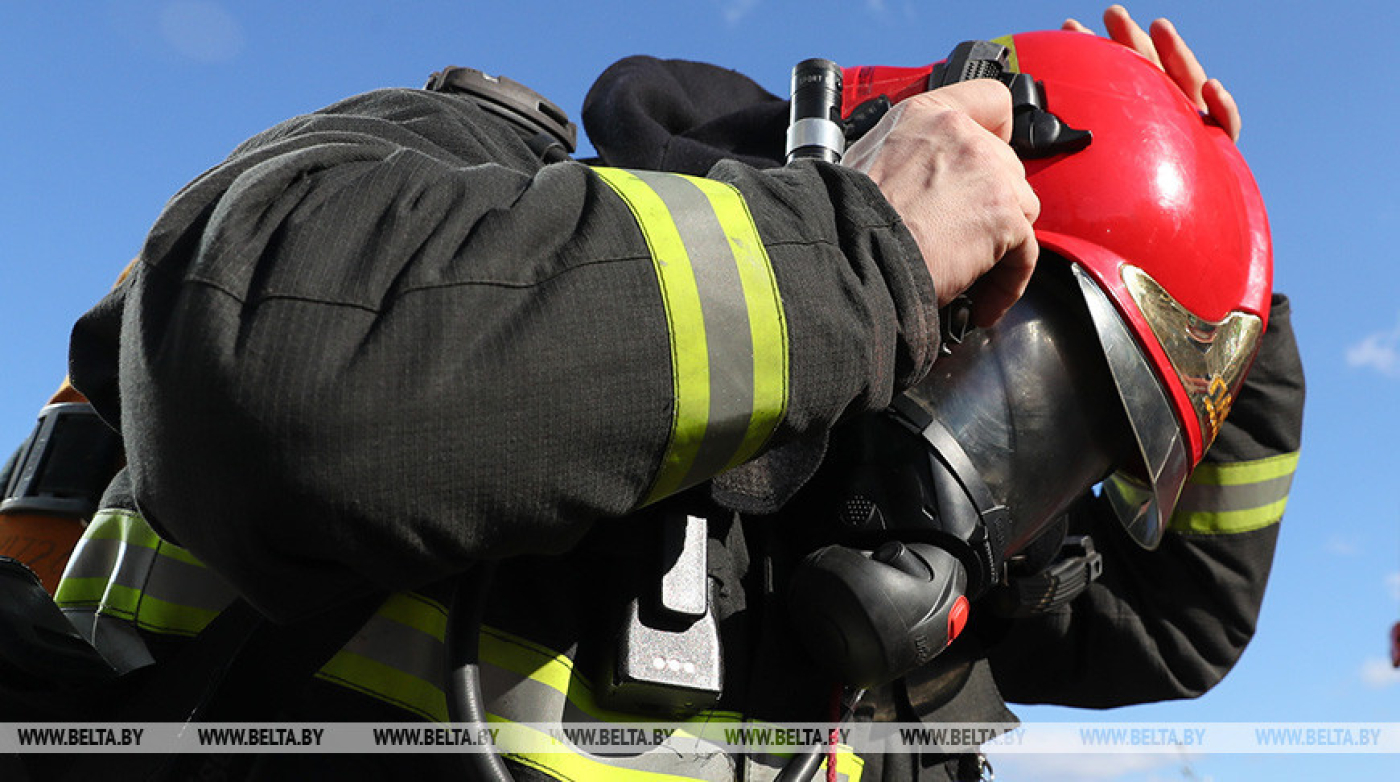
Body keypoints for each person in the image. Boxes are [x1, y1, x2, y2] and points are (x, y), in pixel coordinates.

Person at [1, 6, 1302, 782]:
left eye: (1060, 447)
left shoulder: (880, 591)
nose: (988, 482)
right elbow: (273, 385)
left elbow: (1182, 624)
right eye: (1009, 371)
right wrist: (861, 258)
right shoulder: (465, 166)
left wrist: (1228, 278)